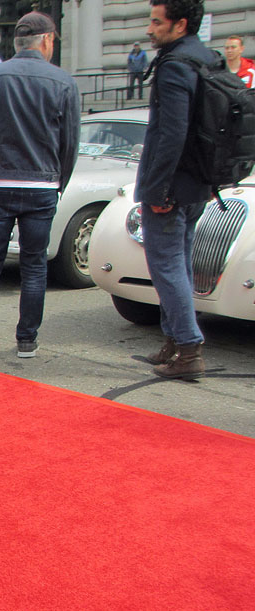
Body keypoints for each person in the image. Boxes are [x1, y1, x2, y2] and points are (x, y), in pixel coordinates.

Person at [0, 11, 80, 358]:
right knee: (33, 266)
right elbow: (70, 142)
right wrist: (59, 181)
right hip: (42, 183)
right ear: (45, 40)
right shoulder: (62, 82)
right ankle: (26, 339)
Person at [135, 0, 217, 379]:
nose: (150, 30)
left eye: (157, 22)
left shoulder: (174, 66)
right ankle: (173, 341)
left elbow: (171, 133)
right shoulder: (206, 58)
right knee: (178, 264)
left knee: (166, 267)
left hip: (171, 185)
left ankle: (187, 349)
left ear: (180, 24)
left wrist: (159, 191)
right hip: (198, 182)